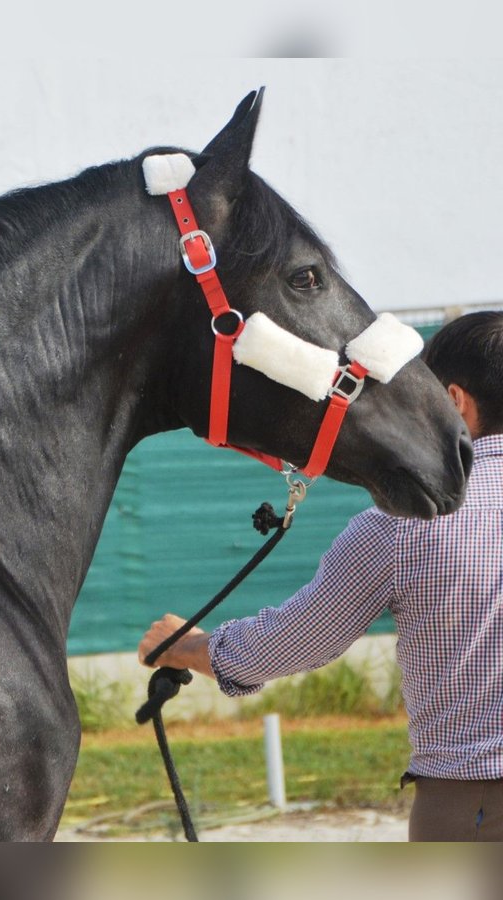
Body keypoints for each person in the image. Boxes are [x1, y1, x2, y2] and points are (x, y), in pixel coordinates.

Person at [138, 310, 503, 842]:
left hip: (473, 809)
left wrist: (193, 647)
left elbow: (299, 639)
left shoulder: (405, 526)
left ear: (453, 402)